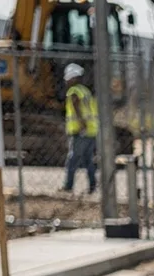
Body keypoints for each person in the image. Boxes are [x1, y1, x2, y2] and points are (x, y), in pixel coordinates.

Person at [62, 63, 100, 195]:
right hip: (91, 131)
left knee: (73, 159)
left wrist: (82, 125)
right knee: (88, 160)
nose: (66, 81)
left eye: (68, 79)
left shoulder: (74, 92)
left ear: (73, 78)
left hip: (80, 131)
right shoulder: (86, 91)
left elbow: (77, 109)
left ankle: (68, 186)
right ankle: (93, 186)